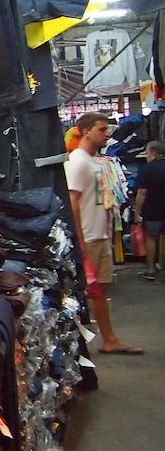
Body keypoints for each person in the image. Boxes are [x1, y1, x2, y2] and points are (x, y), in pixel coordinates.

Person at [65, 112, 143, 355]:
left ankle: (109, 339)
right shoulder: (77, 161)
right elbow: (73, 203)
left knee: (101, 289)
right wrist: (80, 239)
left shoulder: (93, 161)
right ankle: (104, 340)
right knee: (90, 292)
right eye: (101, 129)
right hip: (89, 237)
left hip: (98, 235)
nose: (107, 133)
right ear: (86, 130)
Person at [134, 140, 165, 281]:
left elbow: (142, 193)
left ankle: (151, 270)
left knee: (151, 238)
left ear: (153, 153)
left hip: (153, 210)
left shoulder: (147, 169)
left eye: (147, 153)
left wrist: (137, 211)